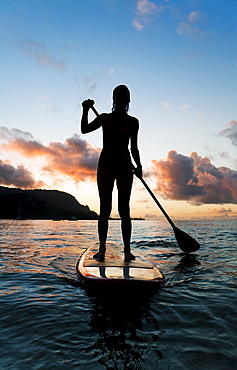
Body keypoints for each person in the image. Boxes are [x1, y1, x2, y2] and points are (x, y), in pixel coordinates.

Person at [81, 85, 142, 262]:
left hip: (125, 166)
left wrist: (138, 166)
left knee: (124, 209)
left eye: (125, 95)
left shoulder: (133, 122)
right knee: (104, 209)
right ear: (113, 99)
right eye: (119, 95)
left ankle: (128, 251)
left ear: (129, 99)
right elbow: (84, 129)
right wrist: (85, 110)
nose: (122, 98)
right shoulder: (104, 118)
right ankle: (102, 250)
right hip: (106, 165)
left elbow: (134, 148)